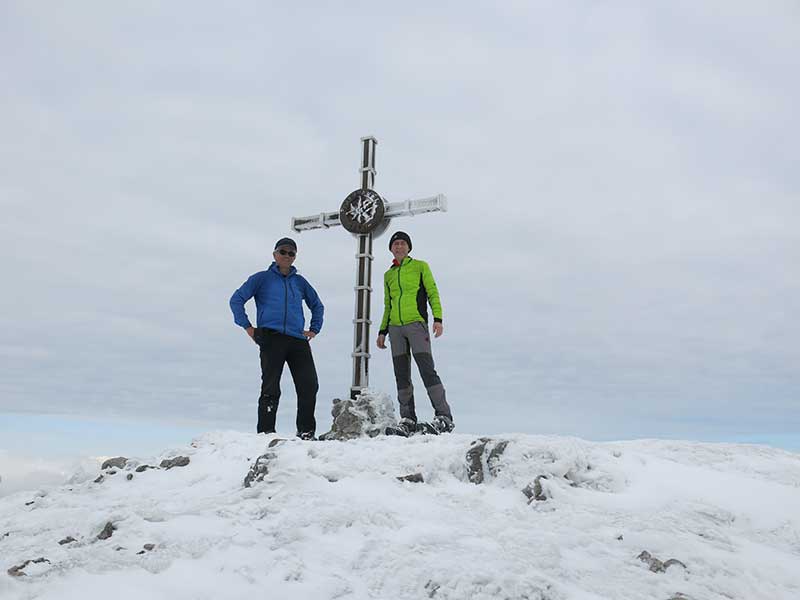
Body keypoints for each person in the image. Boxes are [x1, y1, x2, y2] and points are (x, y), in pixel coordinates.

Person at [229, 237, 324, 439]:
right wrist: (247, 327)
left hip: (298, 340)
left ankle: (306, 431)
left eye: (291, 253)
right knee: (271, 386)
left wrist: (314, 329)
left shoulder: (299, 282)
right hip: (271, 337)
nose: (287, 256)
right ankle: (266, 433)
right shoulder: (261, 278)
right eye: (283, 251)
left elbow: (317, 305)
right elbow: (236, 300)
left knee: (309, 384)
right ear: (275, 254)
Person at [376, 231, 454, 436]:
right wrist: (382, 331)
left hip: (416, 325)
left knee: (427, 370)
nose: (399, 247)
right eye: (395, 244)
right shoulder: (388, 275)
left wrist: (438, 318)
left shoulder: (420, 266)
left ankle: (444, 416)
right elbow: (387, 305)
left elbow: (432, 292)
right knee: (401, 375)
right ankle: (408, 419)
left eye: (403, 243)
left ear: (408, 247)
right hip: (395, 328)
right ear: (391, 248)